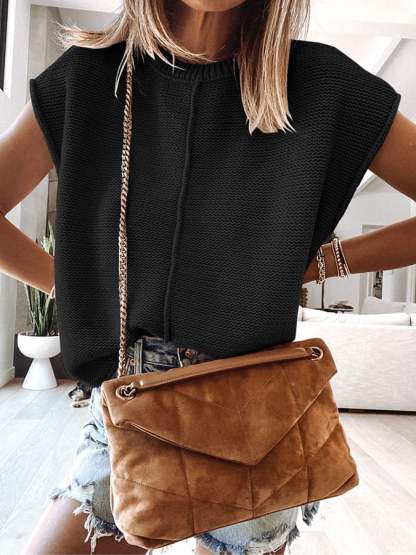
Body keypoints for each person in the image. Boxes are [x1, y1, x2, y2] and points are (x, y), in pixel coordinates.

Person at [1, 0, 415, 554]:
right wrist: (72, 286)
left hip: (256, 414)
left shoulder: (322, 83)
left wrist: (326, 262)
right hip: (132, 399)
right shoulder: (89, 78)